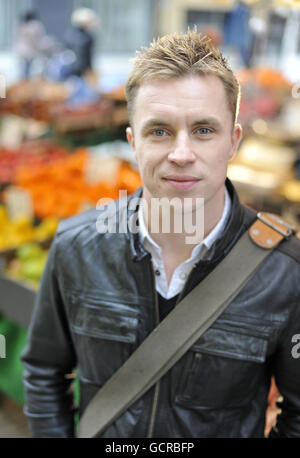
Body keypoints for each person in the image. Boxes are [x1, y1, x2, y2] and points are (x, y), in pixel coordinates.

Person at [21, 29, 300, 438]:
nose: (181, 153)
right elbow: (45, 372)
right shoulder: (75, 248)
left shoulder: (286, 270)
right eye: (160, 131)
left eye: (204, 130)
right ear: (133, 142)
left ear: (233, 141)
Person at [63, 8, 99, 79]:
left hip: (68, 73)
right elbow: (82, 60)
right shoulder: (86, 38)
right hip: (80, 74)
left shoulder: (70, 34)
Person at [15, 10, 47, 79]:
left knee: (25, 69)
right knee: (28, 69)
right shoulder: (34, 26)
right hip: (29, 51)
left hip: (22, 51)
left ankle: (24, 81)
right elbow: (36, 39)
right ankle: (26, 82)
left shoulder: (22, 25)